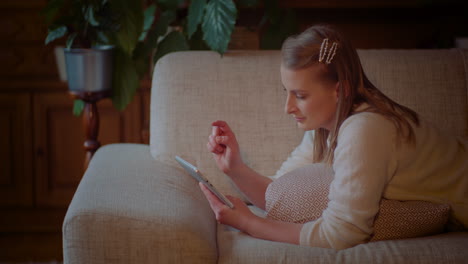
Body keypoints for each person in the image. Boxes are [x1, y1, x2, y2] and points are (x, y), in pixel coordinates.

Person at [199, 24, 468, 250]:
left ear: (341, 90)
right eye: (287, 92)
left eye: (301, 95)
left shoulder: (366, 130)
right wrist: (235, 169)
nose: (288, 107)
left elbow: (343, 233)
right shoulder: (325, 123)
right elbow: (280, 195)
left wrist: (249, 223)